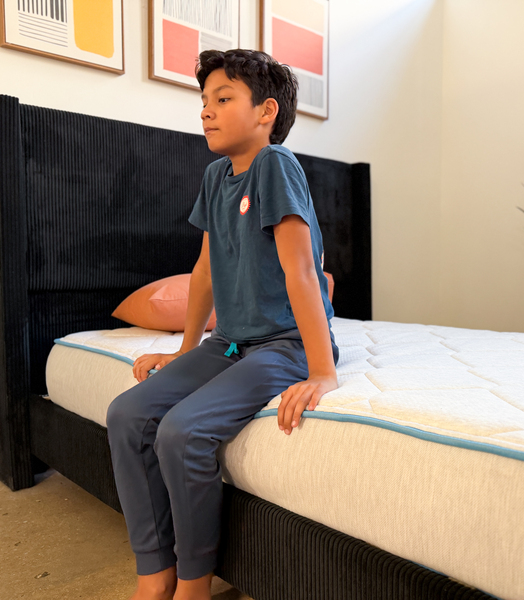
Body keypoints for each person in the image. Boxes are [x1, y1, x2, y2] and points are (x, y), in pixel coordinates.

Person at [105, 49, 339, 600]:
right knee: (126, 415)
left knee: (182, 431)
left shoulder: (275, 164)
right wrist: (187, 350)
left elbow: (302, 270)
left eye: (224, 98)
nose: (206, 110)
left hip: (284, 344)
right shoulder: (215, 176)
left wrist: (322, 371)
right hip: (230, 343)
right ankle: (154, 573)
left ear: (266, 112)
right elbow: (206, 270)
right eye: (204, 100)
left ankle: (193, 584)